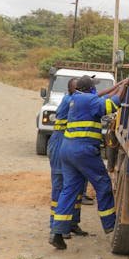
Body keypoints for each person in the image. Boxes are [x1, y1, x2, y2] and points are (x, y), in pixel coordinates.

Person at [49, 76, 129, 250]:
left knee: (69, 190)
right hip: (84, 151)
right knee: (102, 184)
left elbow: (100, 96)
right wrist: (124, 86)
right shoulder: (89, 100)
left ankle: (57, 232)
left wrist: (117, 85)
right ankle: (110, 226)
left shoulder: (75, 98)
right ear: (89, 89)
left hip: (67, 150)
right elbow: (114, 104)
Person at [47, 77, 87, 239]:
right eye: (84, 89)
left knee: (77, 187)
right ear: (75, 91)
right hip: (60, 145)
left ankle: (72, 223)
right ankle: (56, 226)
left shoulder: (75, 99)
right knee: (60, 187)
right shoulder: (70, 100)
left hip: (72, 145)